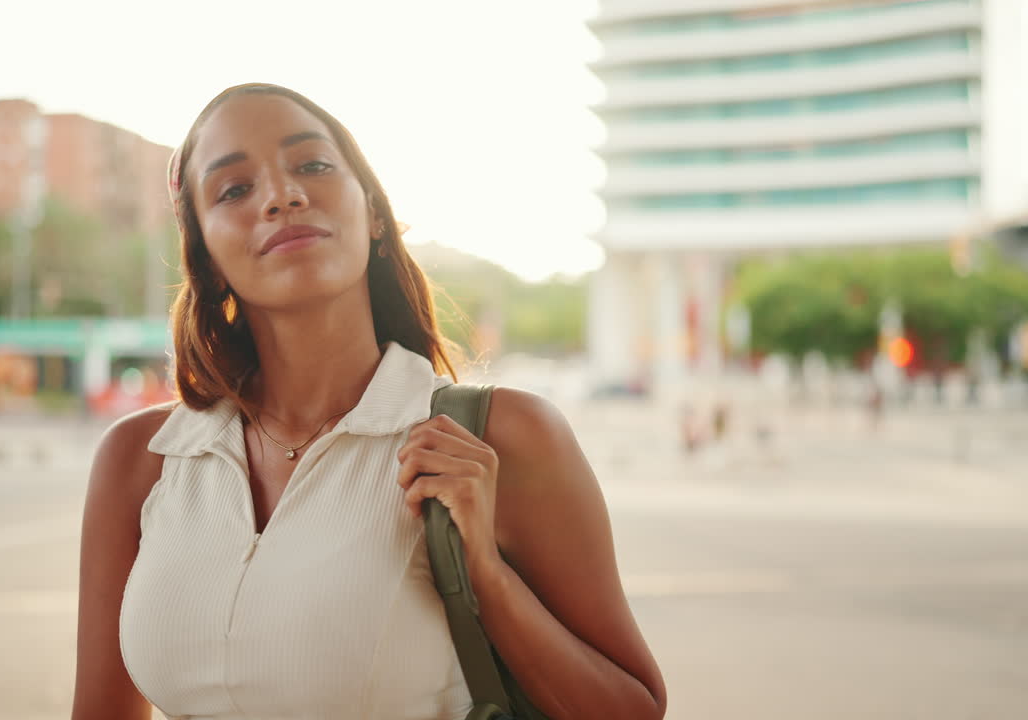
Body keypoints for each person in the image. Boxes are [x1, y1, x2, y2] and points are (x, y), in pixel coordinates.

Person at [70, 83, 666, 720]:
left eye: (312, 165)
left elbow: (633, 709)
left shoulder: (500, 435)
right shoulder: (141, 459)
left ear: (375, 214)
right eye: (235, 189)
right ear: (206, 257)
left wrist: (484, 576)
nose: (282, 196)